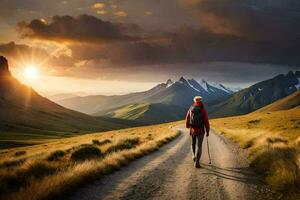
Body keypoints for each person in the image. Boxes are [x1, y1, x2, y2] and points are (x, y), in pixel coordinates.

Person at [185, 96, 210, 168]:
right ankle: (197, 163)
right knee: (199, 146)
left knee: (193, 143)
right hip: (200, 130)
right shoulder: (203, 109)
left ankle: (193, 156)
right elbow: (206, 121)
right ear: (201, 100)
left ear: (194, 100)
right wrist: (207, 131)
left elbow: (187, 118)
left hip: (192, 130)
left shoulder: (191, 108)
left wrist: (188, 126)